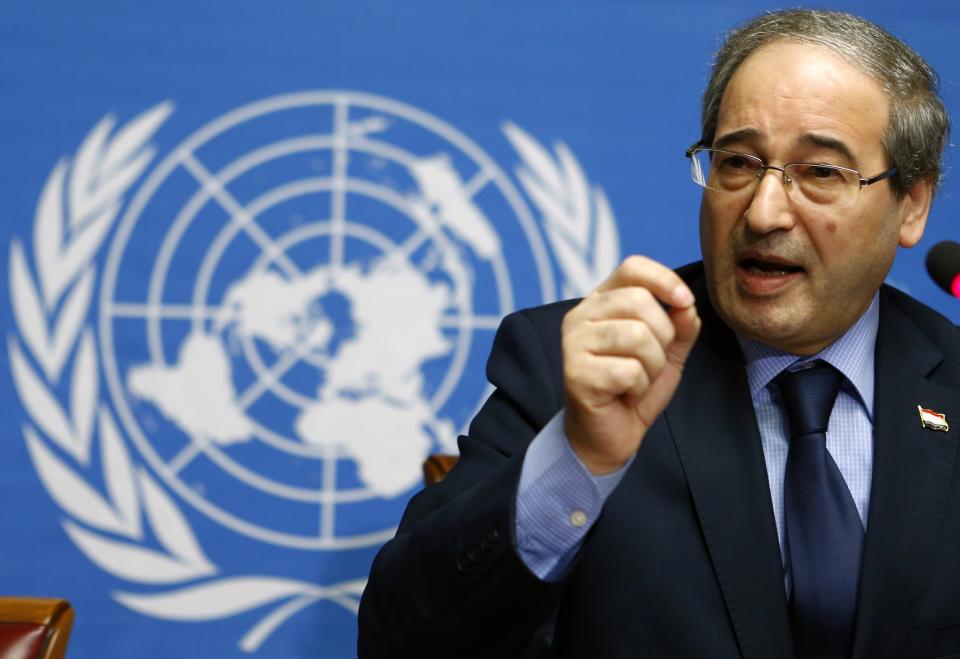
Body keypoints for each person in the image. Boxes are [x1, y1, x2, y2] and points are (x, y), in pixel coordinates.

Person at [358, 9, 957, 658]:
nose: (762, 212)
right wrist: (578, 459)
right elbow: (403, 641)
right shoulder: (575, 364)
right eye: (737, 162)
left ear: (913, 202)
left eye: (819, 172)